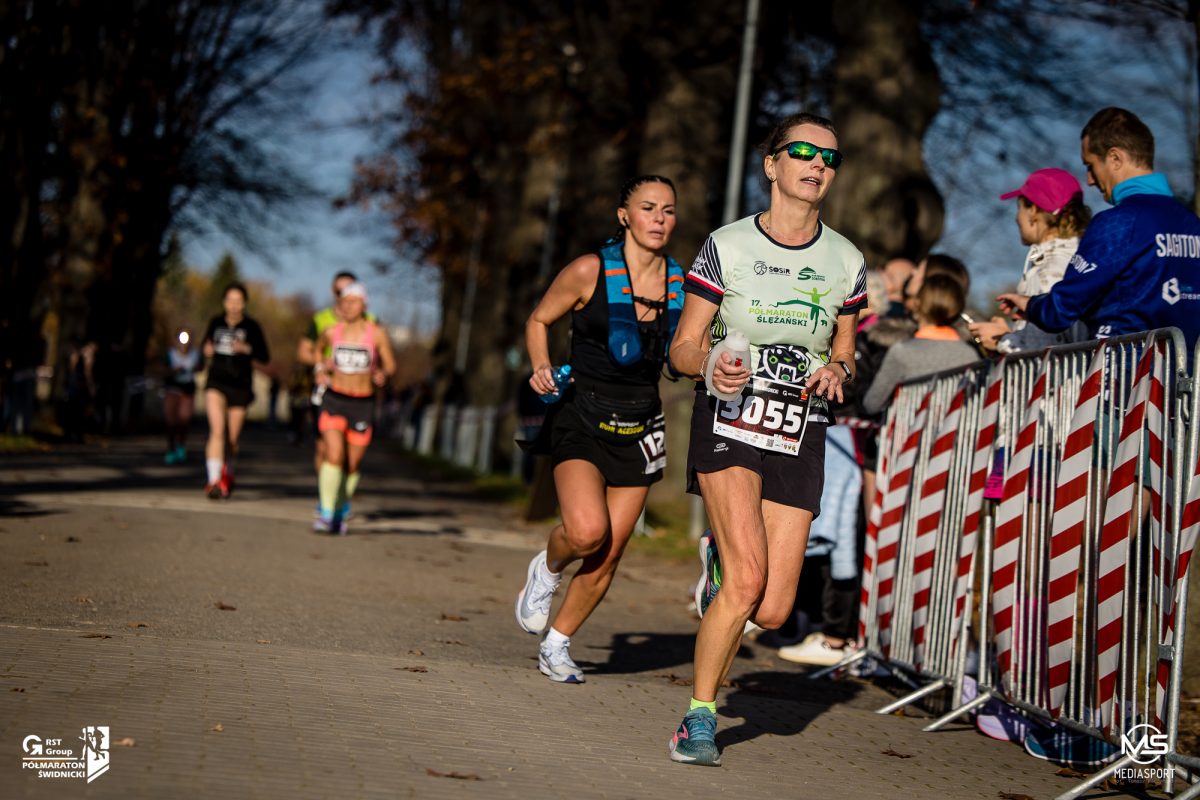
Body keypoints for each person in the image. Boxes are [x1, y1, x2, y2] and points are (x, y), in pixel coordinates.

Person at [666, 112, 867, 766]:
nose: (817, 165)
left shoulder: (847, 260)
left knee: (774, 609)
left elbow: (846, 350)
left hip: (799, 426)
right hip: (729, 415)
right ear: (772, 165)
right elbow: (682, 347)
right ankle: (698, 720)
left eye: (829, 158)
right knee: (748, 581)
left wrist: (839, 370)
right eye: (803, 152)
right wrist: (710, 363)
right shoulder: (726, 245)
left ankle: (717, 561)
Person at [515, 175, 684, 685]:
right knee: (588, 533)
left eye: (668, 210)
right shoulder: (590, 270)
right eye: (648, 207)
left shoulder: (681, 284)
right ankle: (547, 568)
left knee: (609, 554)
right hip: (582, 415)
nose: (659, 218)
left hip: (642, 425)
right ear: (624, 216)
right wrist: (540, 365)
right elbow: (538, 321)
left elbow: (692, 350)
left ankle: (557, 645)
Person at [998, 107, 1200, 345]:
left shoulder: (1117, 223)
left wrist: (1031, 305)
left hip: (1127, 363)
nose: (1090, 180)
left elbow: (1060, 310)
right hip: (1187, 365)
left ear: (1115, 158)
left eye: (1090, 165)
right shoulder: (1193, 224)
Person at [968, 168, 1091, 353]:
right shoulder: (1080, 260)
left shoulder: (1050, 271)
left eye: (1019, 208)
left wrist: (1001, 340)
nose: (1016, 218)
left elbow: (1042, 353)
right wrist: (1010, 334)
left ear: (1033, 210)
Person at [312, 282, 395, 533]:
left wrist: (382, 374)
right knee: (334, 454)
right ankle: (326, 513)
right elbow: (317, 351)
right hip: (335, 399)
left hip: (362, 404)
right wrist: (320, 369)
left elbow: (390, 365)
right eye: (344, 302)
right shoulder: (331, 332)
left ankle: (339, 509)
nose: (347, 306)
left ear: (364, 304)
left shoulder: (376, 334)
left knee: (352, 464)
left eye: (353, 301)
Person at [297, 271, 378, 480]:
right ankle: (326, 494)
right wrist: (321, 365)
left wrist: (378, 372)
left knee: (349, 456)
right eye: (339, 290)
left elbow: (380, 356)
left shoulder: (372, 322)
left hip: (359, 397)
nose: (345, 295)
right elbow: (303, 352)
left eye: (349, 289)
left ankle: (341, 491)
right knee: (325, 448)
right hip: (328, 391)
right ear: (333, 292)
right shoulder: (321, 319)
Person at [863, 274, 980, 415]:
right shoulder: (969, 354)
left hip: (908, 426)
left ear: (917, 303)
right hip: (952, 427)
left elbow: (872, 404)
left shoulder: (902, 351)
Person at [201, 283, 270, 499]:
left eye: (238, 301)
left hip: (240, 386)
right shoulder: (216, 322)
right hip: (217, 382)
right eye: (230, 300)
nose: (233, 305)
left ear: (244, 303)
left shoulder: (252, 326)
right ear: (224, 302)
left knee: (231, 439)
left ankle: (228, 472)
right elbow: (205, 345)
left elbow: (265, 356)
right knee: (217, 431)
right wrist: (207, 350)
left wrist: (246, 348)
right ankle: (213, 481)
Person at [163, 329, 201, 464]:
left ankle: (181, 446)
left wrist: (195, 368)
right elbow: (162, 369)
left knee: (185, 419)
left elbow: (201, 367)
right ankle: (171, 448)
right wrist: (173, 371)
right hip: (172, 389)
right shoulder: (170, 354)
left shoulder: (196, 354)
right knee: (171, 421)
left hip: (188, 391)